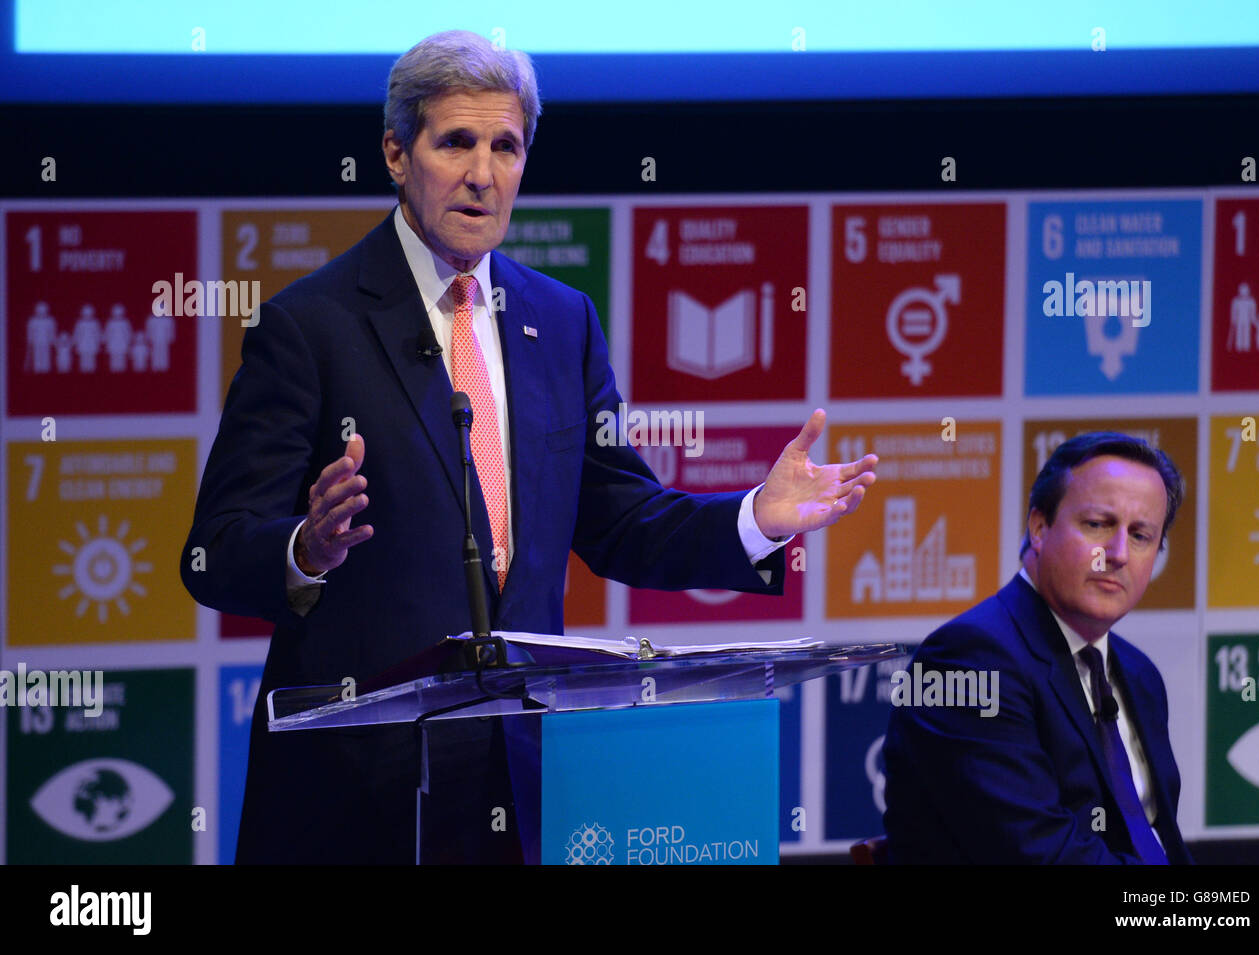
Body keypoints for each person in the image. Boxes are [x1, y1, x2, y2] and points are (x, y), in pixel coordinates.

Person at [180, 30, 878, 864]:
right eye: (456, 143)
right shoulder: (311, 326)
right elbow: (213, 552)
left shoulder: (562, 321)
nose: (483, 173)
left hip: (515, 784)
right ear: (397, 154)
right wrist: (306, 546)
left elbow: (621, 518)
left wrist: (755, 520)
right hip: (353, 800)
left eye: (505, 146)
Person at [882, 432, 1192, 864]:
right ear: (1040, 528)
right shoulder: (966, 661)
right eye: (1098, 524)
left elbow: (1161, 842)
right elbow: (1038, 855)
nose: (1118, 554)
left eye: (1141, 535)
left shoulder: (1140, 676)